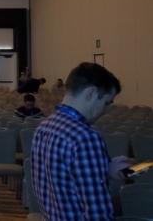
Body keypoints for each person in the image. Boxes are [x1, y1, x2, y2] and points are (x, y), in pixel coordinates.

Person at [32, 62, 128, 220]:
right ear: (91, 93)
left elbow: (62, 183)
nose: (105, 111)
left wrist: (104, 169)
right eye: (106, 103)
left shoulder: (44, 127)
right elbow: (98, 215)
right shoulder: (85, 138)